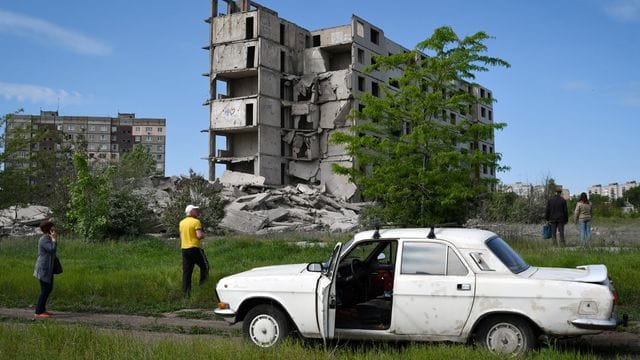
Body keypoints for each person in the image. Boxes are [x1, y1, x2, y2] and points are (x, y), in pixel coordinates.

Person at [179, 204, 208, 297]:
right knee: (205, 267)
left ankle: (186, 294)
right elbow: (199, 236)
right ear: (191, 212)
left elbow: (181, 236)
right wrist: (204, 235)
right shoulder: (196, 222)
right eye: (195, 210)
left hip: (184, 249)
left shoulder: (181, 222)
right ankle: (203, 287)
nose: (197, 212)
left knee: (187, 272)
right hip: (194, 248)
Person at [33, 220, 57, 318]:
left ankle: (42, 309)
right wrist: (54, 239)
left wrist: (53, 238)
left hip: (48, 269)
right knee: (45, 290)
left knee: (48, 289)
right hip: (43, 269)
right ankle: (38, 312)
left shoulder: (48, 237)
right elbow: (52, 249)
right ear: (49, 229)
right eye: (53, 227)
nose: (55, 228)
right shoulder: (44, 239)